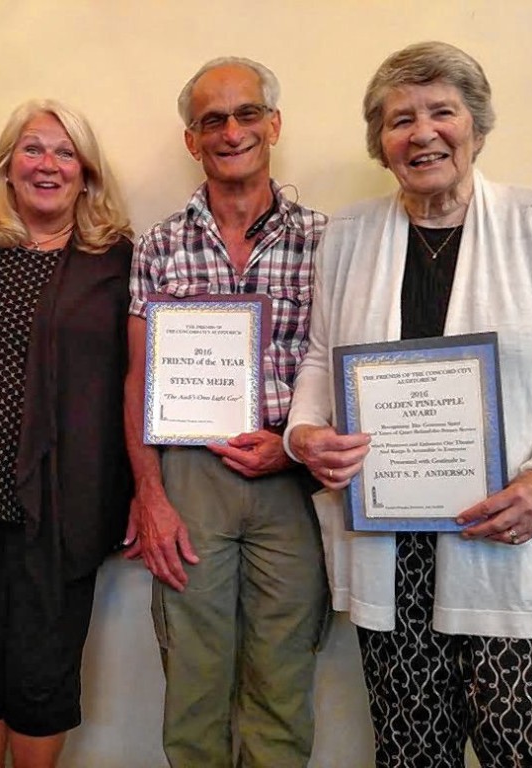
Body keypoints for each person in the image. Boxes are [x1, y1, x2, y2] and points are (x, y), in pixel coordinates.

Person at [285, 41, 532, 768]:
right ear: (380, 143)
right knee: (410, 752)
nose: (423, 132)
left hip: (505, 538)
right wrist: (304, 432)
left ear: (477, 125)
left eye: (443, 111)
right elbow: (318, 356)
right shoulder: (347, 236)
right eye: (400, 119)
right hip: (391, 551)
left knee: (527, 750)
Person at [124, 57, 330, 768]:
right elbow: (137, 376)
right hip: (191, 481)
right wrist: (150, 493)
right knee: (194, 681)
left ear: (274, 125)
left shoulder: (327, 242)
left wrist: (293, 447)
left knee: (283, 680)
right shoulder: (158, 245)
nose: (231, 130)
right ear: (192, 139)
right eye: (213, 119)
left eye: (247, 114)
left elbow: (335, 366)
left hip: (292, 482)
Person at [0, 99, 133, 768]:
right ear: (8, 164)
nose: (48, 164)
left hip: (67, 500)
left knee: (45, 667)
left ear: (87, 172)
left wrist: (143, 491)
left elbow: (140, 380)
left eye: (65, 152)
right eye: (33, 149)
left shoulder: (117, 259)